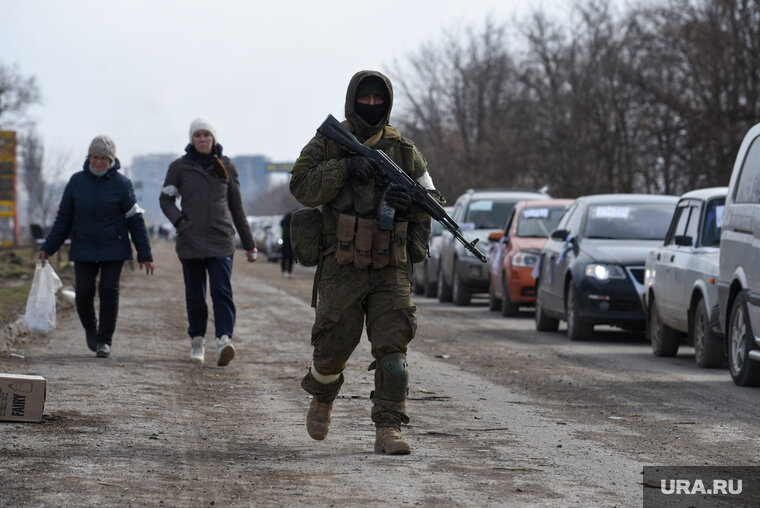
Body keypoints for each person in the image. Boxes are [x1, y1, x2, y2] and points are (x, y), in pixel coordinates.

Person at [289, 70, 445, 454]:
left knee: (394, 352)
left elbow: (434, 201)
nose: (371, 106)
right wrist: (343, 168)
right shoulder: (329, 141)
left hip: (390, 265)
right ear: (353, 100)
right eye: (365, 99)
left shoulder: (404, 150)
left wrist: (414, 207)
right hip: (341, 264)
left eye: (379, 100)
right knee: (332, 347)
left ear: (388, 103)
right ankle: (323, 398)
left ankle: (388, 428)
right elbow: (301, 186)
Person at [40, 135, 154, 358]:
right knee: (83, 292)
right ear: (89, 157)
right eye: (95, 157)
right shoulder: (76, 182)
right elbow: (63, 218)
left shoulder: (122, 184)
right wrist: (48, 247)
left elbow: (135, 220)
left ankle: (104, 341)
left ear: (112, 160)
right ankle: (91, 329)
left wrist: (144, 253)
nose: (98, 162)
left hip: (114, 247)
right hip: (83, 246)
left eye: (103, 158)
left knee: (109, 291)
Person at [160, 117, 257, 367]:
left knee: (221, 291)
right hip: (190, 240)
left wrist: (249, 243)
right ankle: (197, 340)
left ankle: (224, 340)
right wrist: (180, 222)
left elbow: (237, 207)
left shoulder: (226, 166)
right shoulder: (179, 167)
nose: (202, 139)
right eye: (197, 135)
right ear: (192, 140)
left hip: (221, 239)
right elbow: (166, 200)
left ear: (213, 138)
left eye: (206, 135)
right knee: (195, 295)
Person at [280, 210, 294, 278]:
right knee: (286, 256)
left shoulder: (293, 219)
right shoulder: (288, 217)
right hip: (286, 240)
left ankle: (289, 271)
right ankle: (285, 271)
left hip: (290, 240)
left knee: (290, 257)